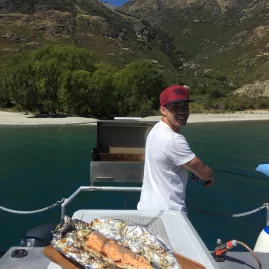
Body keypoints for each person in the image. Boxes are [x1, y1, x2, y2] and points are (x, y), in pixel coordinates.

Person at [137, 85, 214, 215]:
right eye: (175, 106)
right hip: (169, 214)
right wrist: (209, 175)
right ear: (163, 110)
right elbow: (204, 173)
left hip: (147, 209)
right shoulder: (173, 139)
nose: (182, 111)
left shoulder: (156, 129)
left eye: (185, 106)